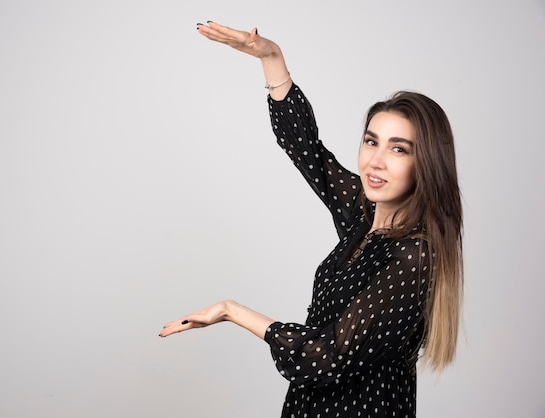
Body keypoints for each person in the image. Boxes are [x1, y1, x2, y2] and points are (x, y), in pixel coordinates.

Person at [159, 21, 463, 418]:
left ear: (427, 164)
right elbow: (308, 150)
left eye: (399, 149)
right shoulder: (364, 217)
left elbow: (325, 357)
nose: (376, 160)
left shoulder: (413, 256)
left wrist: (233, 311)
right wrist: (272, 58)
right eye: (371, 141)